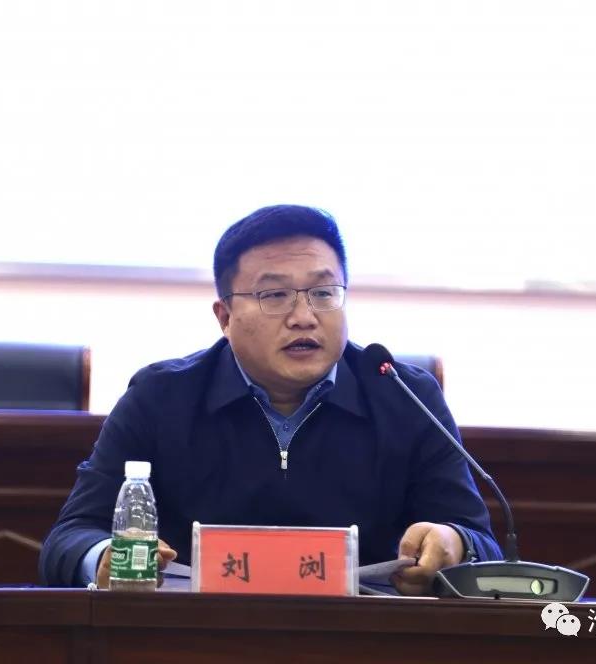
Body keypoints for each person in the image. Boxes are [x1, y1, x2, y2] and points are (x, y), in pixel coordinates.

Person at [40, 204, 500, 594]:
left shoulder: (406, 396)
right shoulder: (161, 397)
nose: (304, 316)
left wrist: (453, 543)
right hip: (196, 643)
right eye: (275, 295)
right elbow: (70, 538)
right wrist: (103, 557)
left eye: (323, 292)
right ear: (224, 316)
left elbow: (483, 544)